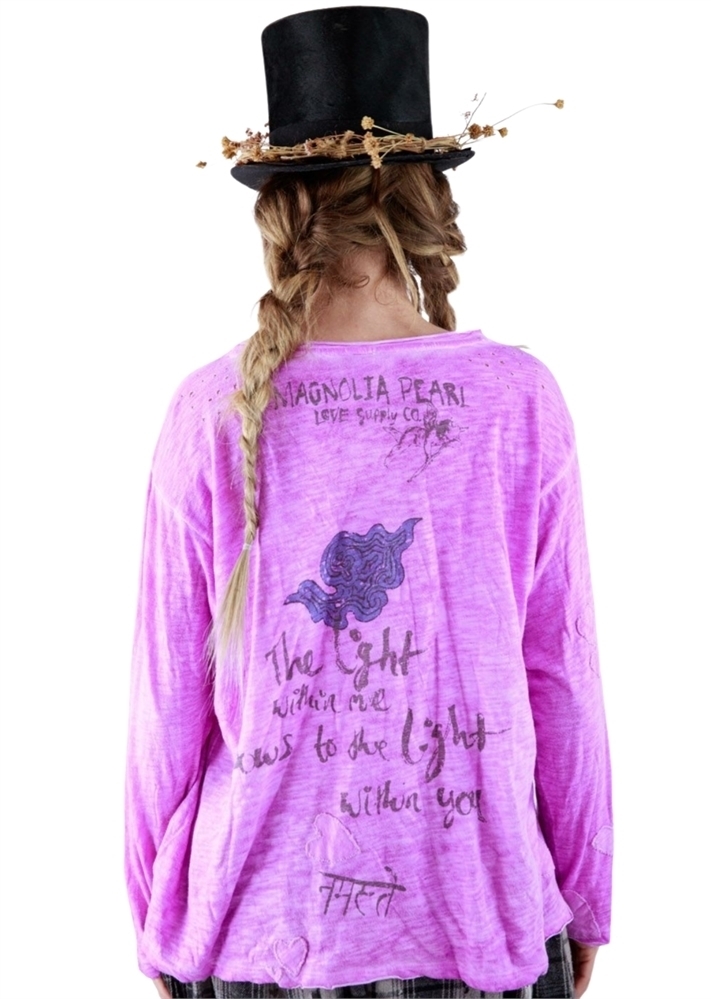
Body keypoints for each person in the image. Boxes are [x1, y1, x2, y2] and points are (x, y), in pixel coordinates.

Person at [125, 8, 612, 999]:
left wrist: (156, 922)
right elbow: (561, 676)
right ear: (426, 196)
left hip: (255, 934)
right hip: (481, 926)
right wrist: (585, 895)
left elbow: (164, 706)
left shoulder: (208, 409)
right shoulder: (518, 402)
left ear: (282, 208)